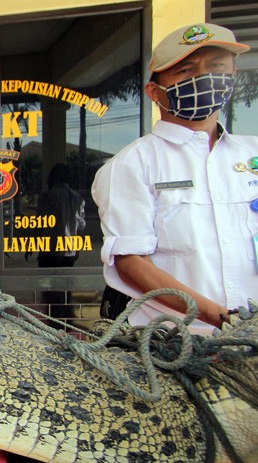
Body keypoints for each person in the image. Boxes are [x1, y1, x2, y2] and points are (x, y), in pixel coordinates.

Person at [91, 23, 258, 335]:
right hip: (177, 345)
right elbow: (131, 264)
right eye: (186, 70)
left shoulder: (253, 153)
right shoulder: (133, 164)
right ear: (155, 91)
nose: (204, 78)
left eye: (216, 66)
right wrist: (224, 319)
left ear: (232, 74)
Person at [36, 163, 85, 268]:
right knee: (66, 283)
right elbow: (80, 228)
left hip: (48, 251)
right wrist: (77, 249)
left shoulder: (46, 197)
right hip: (69, 251)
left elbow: (39, 224)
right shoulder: (77, 199)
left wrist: (34, 245)